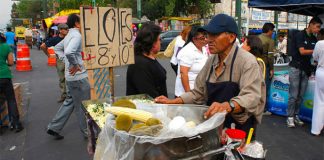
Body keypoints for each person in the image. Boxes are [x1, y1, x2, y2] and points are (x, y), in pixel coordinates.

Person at [155, 14, 265, 136]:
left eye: (215, 35)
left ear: (231, 37)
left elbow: (251, 96)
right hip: (214, 126)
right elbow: (198, 93)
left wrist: (228, 106)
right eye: (208, 35)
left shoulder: (247, 62)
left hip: (238, 130)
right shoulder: (211, 60)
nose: (209, 40)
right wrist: (173, 101)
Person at [47, 14, 90, 140]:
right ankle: (87, 132)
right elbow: (68, 52)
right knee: (83, 105)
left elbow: (57, 49)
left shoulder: (69, 35)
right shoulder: (76, 35)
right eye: (82, 22)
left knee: (70, 101)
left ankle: (54, 127)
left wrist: (66, 61)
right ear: (77, 23)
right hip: (78, 78)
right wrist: (75, 64)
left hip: (71, 78)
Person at [287, 17, 322, 128]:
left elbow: (315, 56)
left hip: (306, 70)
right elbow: (302, 51)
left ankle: (296, 115)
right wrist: (316, 49)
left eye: (319, 28)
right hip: (296, 68)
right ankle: (290, 117)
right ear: (310, 24)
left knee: (301, 95)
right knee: (293, 95)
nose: (318, 29)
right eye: (317, 27)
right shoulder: (300, 35)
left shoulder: (314, 39)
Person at [126, 23, 167, 98]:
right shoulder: (139, 65)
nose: (160, 42)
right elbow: (149, 95)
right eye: (159, 39)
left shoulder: (149, 59)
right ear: (153, 43)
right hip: (148, 108)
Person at [174, 26, 208, 97]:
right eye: (202, 38)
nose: (205, 39)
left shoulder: (203, 49)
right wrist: (188, 95)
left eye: (206, 37)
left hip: (199, 92)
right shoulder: (188, 51)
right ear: (194, 39)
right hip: (188, 93)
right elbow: (184, 73)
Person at [0, 33, 23, 132]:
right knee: (11, 100)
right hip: (5, 76)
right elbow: (10, 62)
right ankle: (16, 124)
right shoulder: (6, 47)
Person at [40, 23, 69, 103]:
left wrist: (48, 55)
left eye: (67, 28)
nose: (67, 30)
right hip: (62, 60)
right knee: (63, 78)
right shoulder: (56, 39)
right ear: (60, 30)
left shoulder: (69, 37)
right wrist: (48, 55)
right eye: (65, 29)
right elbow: (43, 46)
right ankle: (64, 95)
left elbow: (43, 46)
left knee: (67, 78)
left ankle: (67, 96)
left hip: (68, 60)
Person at [258, 23, 275, 115]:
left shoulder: (257, 38)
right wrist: (272, 69)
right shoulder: (270, 41)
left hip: (255, 65)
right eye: (272, 30)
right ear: (269, 31)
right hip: (265, 66)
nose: (273, 32)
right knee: (265, 87)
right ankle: (264, 109)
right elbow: (270, 56)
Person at [311, 37, 324, 136]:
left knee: (319, 101)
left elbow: (315, 57)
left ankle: (316, 130)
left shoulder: (320, 43)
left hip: (321, 71)